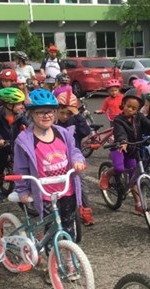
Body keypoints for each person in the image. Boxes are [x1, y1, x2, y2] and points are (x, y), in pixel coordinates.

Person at [12, 89, 86, 241]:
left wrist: (78, 161)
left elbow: (74, 151)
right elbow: (20, 168)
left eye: (50, 111)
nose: (46, 116)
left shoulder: (62, 133)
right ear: (31, 114)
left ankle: (69, 259)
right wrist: (23, 190)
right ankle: (53, 256)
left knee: (68, 225)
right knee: (51, 229)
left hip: (67, 189)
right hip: (44, 193)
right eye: (40, 112)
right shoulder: (25, 140)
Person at [98, 88, 150, 214]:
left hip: (132, 149)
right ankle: (107, 174)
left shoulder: (140, 117)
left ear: (138, 110)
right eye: (128, 106)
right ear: (123, 104)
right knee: (119, 168)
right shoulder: (118, 120)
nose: (129, 109)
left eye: (133, 108)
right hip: (119, 148)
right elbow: (120, 133)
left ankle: (138, 204)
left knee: (134, 177)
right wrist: (123, 141)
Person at [55, 91, 94, 226]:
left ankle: (86, 211)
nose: (65, 116)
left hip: (75, 158)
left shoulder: (75, 120)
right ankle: (58, 213)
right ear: (56, 110)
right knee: (58, 188)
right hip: (57, 161)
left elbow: (86, 132)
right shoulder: (53, 123)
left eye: (69, 113)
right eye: (62, 113)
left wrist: (77, 115)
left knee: (82, 187)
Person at [0, 87, 30, 203]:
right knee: (0, 163)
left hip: (16, 142)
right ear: (8, 105)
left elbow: (28, 125)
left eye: (21, 104)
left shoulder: (20, 114)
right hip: (4, 143)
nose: (21, 106)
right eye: (17, 104)